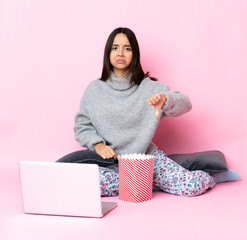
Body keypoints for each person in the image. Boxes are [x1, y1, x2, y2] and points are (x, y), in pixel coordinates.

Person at [57, 27, 229, 197]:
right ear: (108, 53)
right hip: (111, 166)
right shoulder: (94, 90)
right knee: (87, 184)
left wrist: (165, 100)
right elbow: (82, 126)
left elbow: (186, 104)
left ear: (135, 54)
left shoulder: (150, 88)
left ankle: (213, 177)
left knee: (190, 187)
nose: (120, 53)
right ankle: (146, 184)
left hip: (147, 161)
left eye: (127, 48)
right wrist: (98, 145)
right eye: (115, 48)